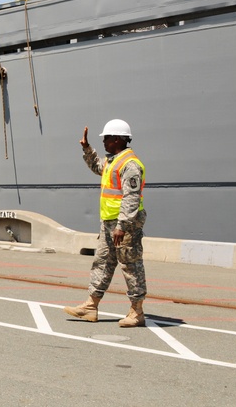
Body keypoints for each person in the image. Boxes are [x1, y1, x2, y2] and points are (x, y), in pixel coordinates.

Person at [64, 119, 148, 327]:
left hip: (125, 226)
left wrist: (122, 226)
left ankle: (137, 312)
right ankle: (91, 307)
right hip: (109, 223)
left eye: (107, 138)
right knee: (101, 262)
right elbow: (97, 166)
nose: (104, 141)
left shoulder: (130, 165)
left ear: (118, 139)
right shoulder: (113, 161)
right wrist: (87, 149)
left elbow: (131, 198)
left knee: (131, 265)